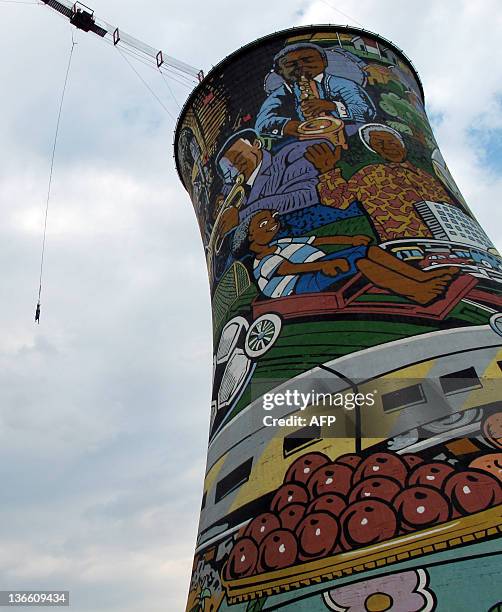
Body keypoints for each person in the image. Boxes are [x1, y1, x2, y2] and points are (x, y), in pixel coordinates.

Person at [236, 209, 458, 304]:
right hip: (301, 284)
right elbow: (287, 270)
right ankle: (417, 292)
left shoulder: (281, 243)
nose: (273, 224)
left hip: (320, 266)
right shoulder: (262, 261)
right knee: (362, 263)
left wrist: (350, 241)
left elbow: (315, 241)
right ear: (250, 235)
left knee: (368, 250)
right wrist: (326, 265)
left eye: (273, 219)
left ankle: (421, 277)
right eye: (264, 223)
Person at [306, 124, 458, 241]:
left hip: (452, 244)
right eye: (378, 144)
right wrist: (328, 171)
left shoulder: (427, 177)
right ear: (374, 150)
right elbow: (338, 201)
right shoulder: (369, 174)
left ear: (401, 144)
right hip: (406, 246)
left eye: (390, 142)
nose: (386, 147)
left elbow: (450, 211)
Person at [213, 129, 321, 241]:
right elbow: (226, 186)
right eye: (229, 169)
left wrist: (241, 216)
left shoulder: (287, 157)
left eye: (239, 158)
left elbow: (307, 193)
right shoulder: (239, 190)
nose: (236, 168)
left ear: (256, 144)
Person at [255, 43, 376, 140]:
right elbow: (261, 124)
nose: (300, 66)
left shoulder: (343, 84)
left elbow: (365, 111)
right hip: (303, 141)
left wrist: (332, 106)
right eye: (291, 64)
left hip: (349, 134)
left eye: (308, 60)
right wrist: (288, 126)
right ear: (280, 72)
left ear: (324, 62)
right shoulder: (279, 94)